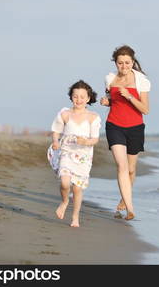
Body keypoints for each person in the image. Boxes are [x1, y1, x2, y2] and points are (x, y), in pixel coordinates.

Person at [100, 45, 150, 220]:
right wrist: (107, 102)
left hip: (135, 128)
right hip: (114, 126)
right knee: (121, 167)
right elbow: (113, 101)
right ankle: (130, 208)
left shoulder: (141, 80)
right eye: (120, 63)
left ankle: (124, 197)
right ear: (116, 63)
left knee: (130, 169)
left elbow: (145, 109)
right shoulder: (110, 78)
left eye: (127, 63)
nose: (124, 66)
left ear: (132, 62)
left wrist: (129, 96)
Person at [50, 80, 101, 227]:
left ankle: (75, 216)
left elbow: (95, 139)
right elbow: (56, 130)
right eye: (75, 96)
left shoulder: (93, 117)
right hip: (67, 151)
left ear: (88, 98)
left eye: (82, 97)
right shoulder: (65, 114)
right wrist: (55, 141)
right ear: (71, 97)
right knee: (65, 182)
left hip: (84, 155)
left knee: (78, 189)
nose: (79, 100)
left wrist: (86, 142)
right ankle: (65, 201)